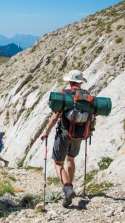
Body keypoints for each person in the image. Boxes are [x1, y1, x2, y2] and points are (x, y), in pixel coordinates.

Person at [41, 70, 96, 208]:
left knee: (58, 163)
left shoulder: (65, 96)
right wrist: (89, 131)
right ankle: (69, 188)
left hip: (64, 133)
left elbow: (55, 117)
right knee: (70, 159)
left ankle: (67, 188)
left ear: (70, 82)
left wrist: (46, 132)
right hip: (80, 135)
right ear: (81, 83)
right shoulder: (88, 97)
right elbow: (93, 118)